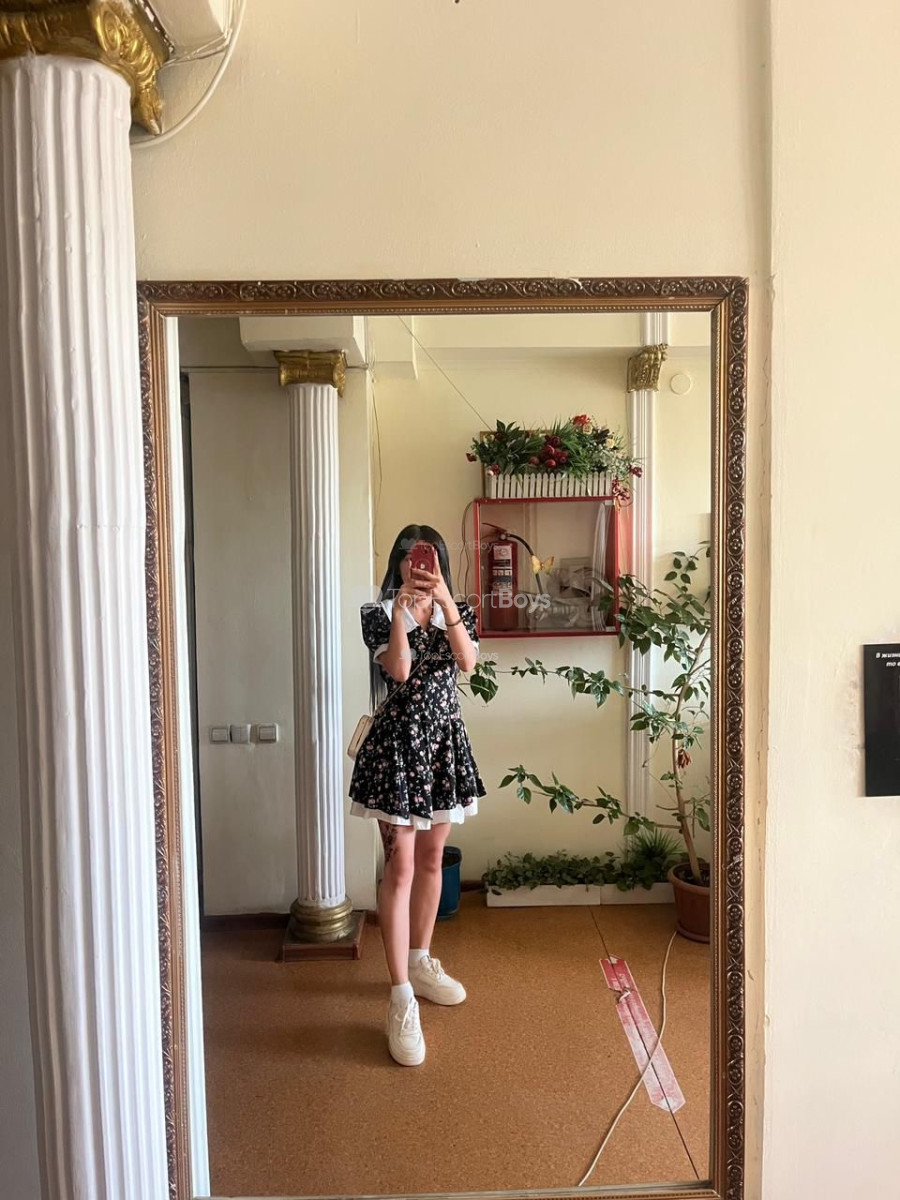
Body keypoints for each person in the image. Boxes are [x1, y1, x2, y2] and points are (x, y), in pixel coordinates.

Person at [350, 524, 485, 1066]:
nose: (416, 563)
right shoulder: (378, 613)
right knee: (400, 865)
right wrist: (403, 614)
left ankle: (421, 960)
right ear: (398, 562)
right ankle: (401, 995)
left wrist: (446, 603)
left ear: (440, 562)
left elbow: (468, 663)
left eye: (425, 555)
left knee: (432, 859)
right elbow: (401, 671)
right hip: (398, 752)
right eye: (407, 555)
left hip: (443, 747)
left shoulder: (460, 609)